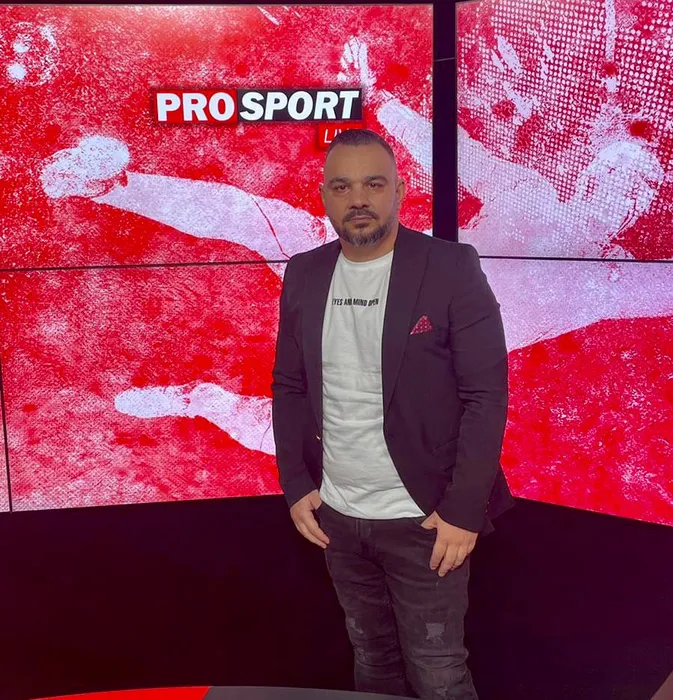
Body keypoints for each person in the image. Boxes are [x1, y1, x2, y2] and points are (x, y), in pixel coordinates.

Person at [271, 128, 514, 700]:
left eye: (374, 184)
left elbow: (486, 395)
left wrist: (463, 511)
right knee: (371, 665)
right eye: (342, 186)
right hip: (337, 518)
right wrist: (296, 482)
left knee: (439, 675)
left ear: (400, 191)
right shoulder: (304, 272)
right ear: (324, 196)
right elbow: (289, 385)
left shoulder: (450, 266)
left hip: (425, 521)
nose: (358, 199)